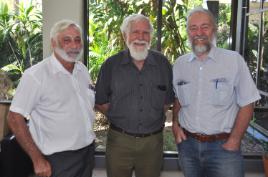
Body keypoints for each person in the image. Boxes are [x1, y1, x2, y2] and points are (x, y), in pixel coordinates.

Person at [172, 7, 261, 177]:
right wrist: (175, 125)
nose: (199, 32)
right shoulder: (180, 64)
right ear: (187, 32)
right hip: (188, 146)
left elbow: (248, 102)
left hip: (223, 147)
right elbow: (178, 99)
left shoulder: (233, 60)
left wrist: (234, 140)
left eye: (204, 26)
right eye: (193, 28)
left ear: (214, 29)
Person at [7, 20, 95, 177]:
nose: (74, 45)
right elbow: (14, 118)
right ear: (54, 43)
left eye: (77, 39)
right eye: (66, 40)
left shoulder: (82, 70)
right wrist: (37, 159)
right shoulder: (36, 75)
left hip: (87, 152)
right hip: (57, 158)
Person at [95, 14, 174, 177]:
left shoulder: (163, 64)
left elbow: (167, 101)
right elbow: (100, 101)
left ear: (151, 37)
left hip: (153, 143)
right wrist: (120, 115)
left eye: (145, 33)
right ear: (125, 36)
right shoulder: (111, 65)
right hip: (119, 141)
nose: (141, 37)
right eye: (135, 32)